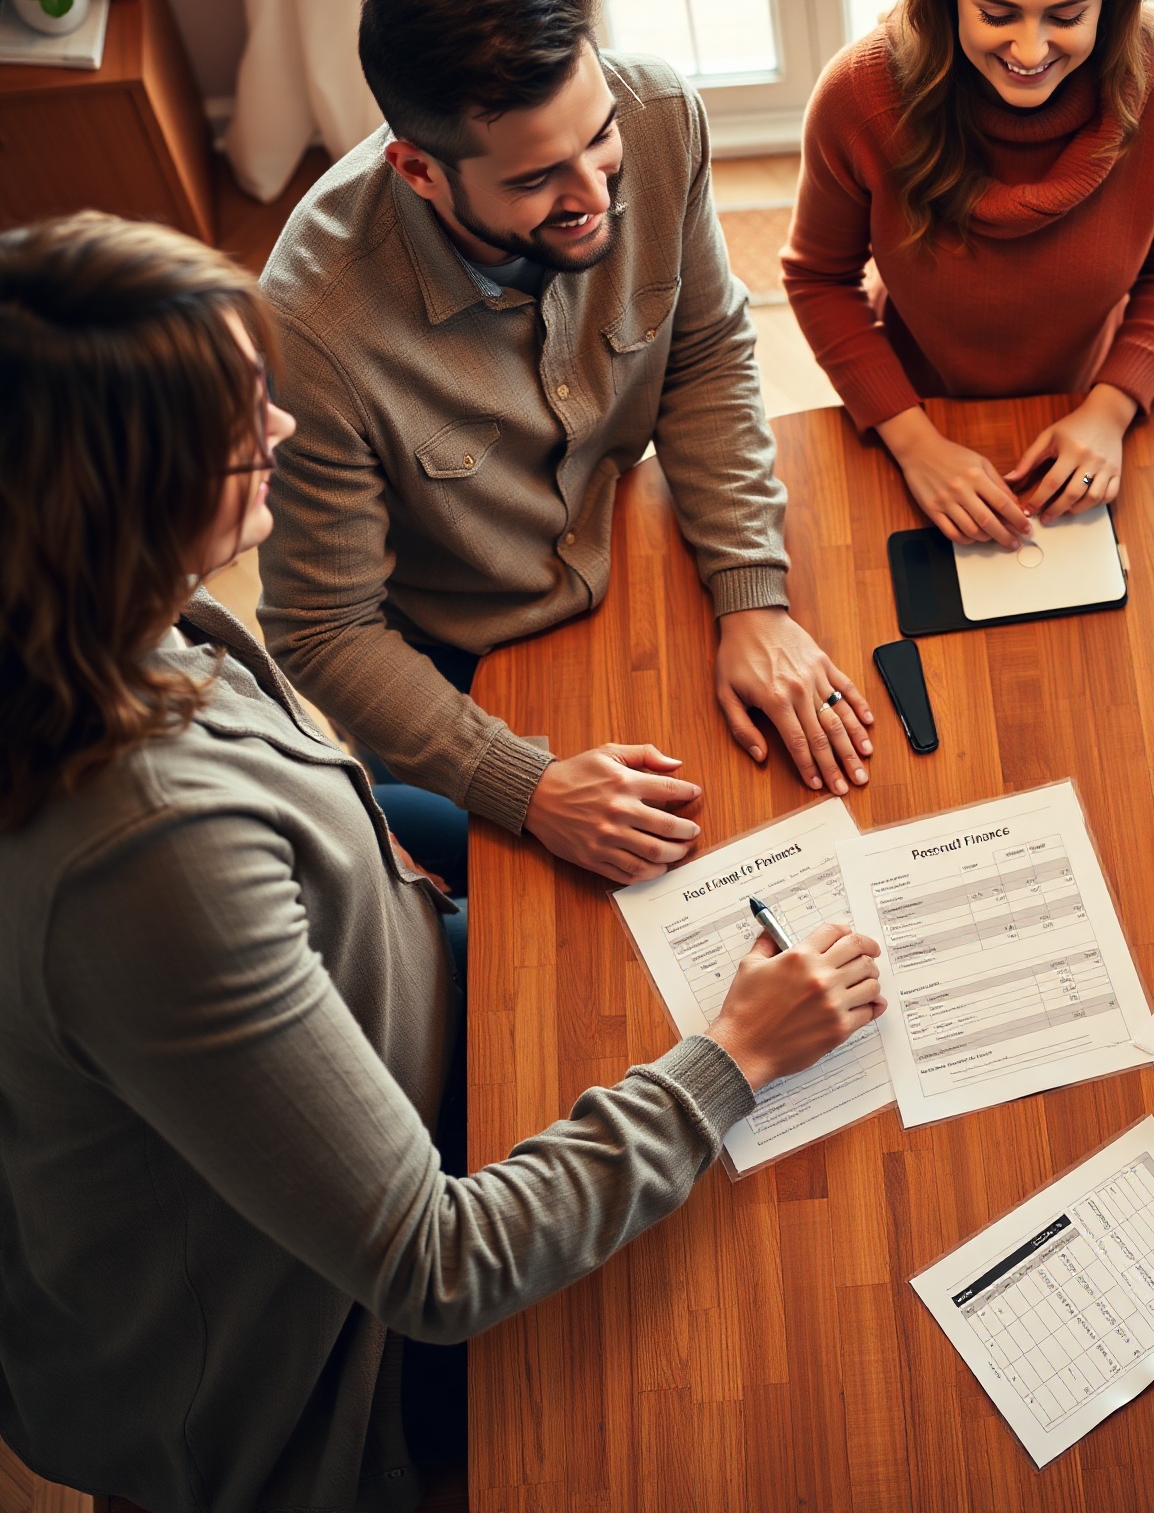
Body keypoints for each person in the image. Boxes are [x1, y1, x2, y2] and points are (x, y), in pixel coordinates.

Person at [0, 213, 886, 1510]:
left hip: (385, 1052)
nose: (283, 433)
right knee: (764, 1335)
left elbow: (321, 812)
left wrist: (519, 798)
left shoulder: (128, 621)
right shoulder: (152, 866)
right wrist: (734, 1061)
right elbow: (438, 1266)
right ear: (126, 501)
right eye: (243, 428)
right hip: (320, 1370)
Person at [259, 0, 875, 892]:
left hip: (639, 559)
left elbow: (706, 352)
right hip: (460, 665)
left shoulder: (661, 114)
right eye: (538, 178)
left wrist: (751, 592)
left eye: (598, 138)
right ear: (418, 169)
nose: (595, 192)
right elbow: (321, 628)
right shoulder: (309, 323)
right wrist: (528, 787)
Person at [781, 0, 1154, 548]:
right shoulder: (859, 94)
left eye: (1067, 15)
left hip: (1092, 402)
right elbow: (817, 278)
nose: (1029, 50)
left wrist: (1111, 410)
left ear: (1111, 0)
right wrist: (914, 441)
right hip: (914, 407)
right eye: (996, 13)